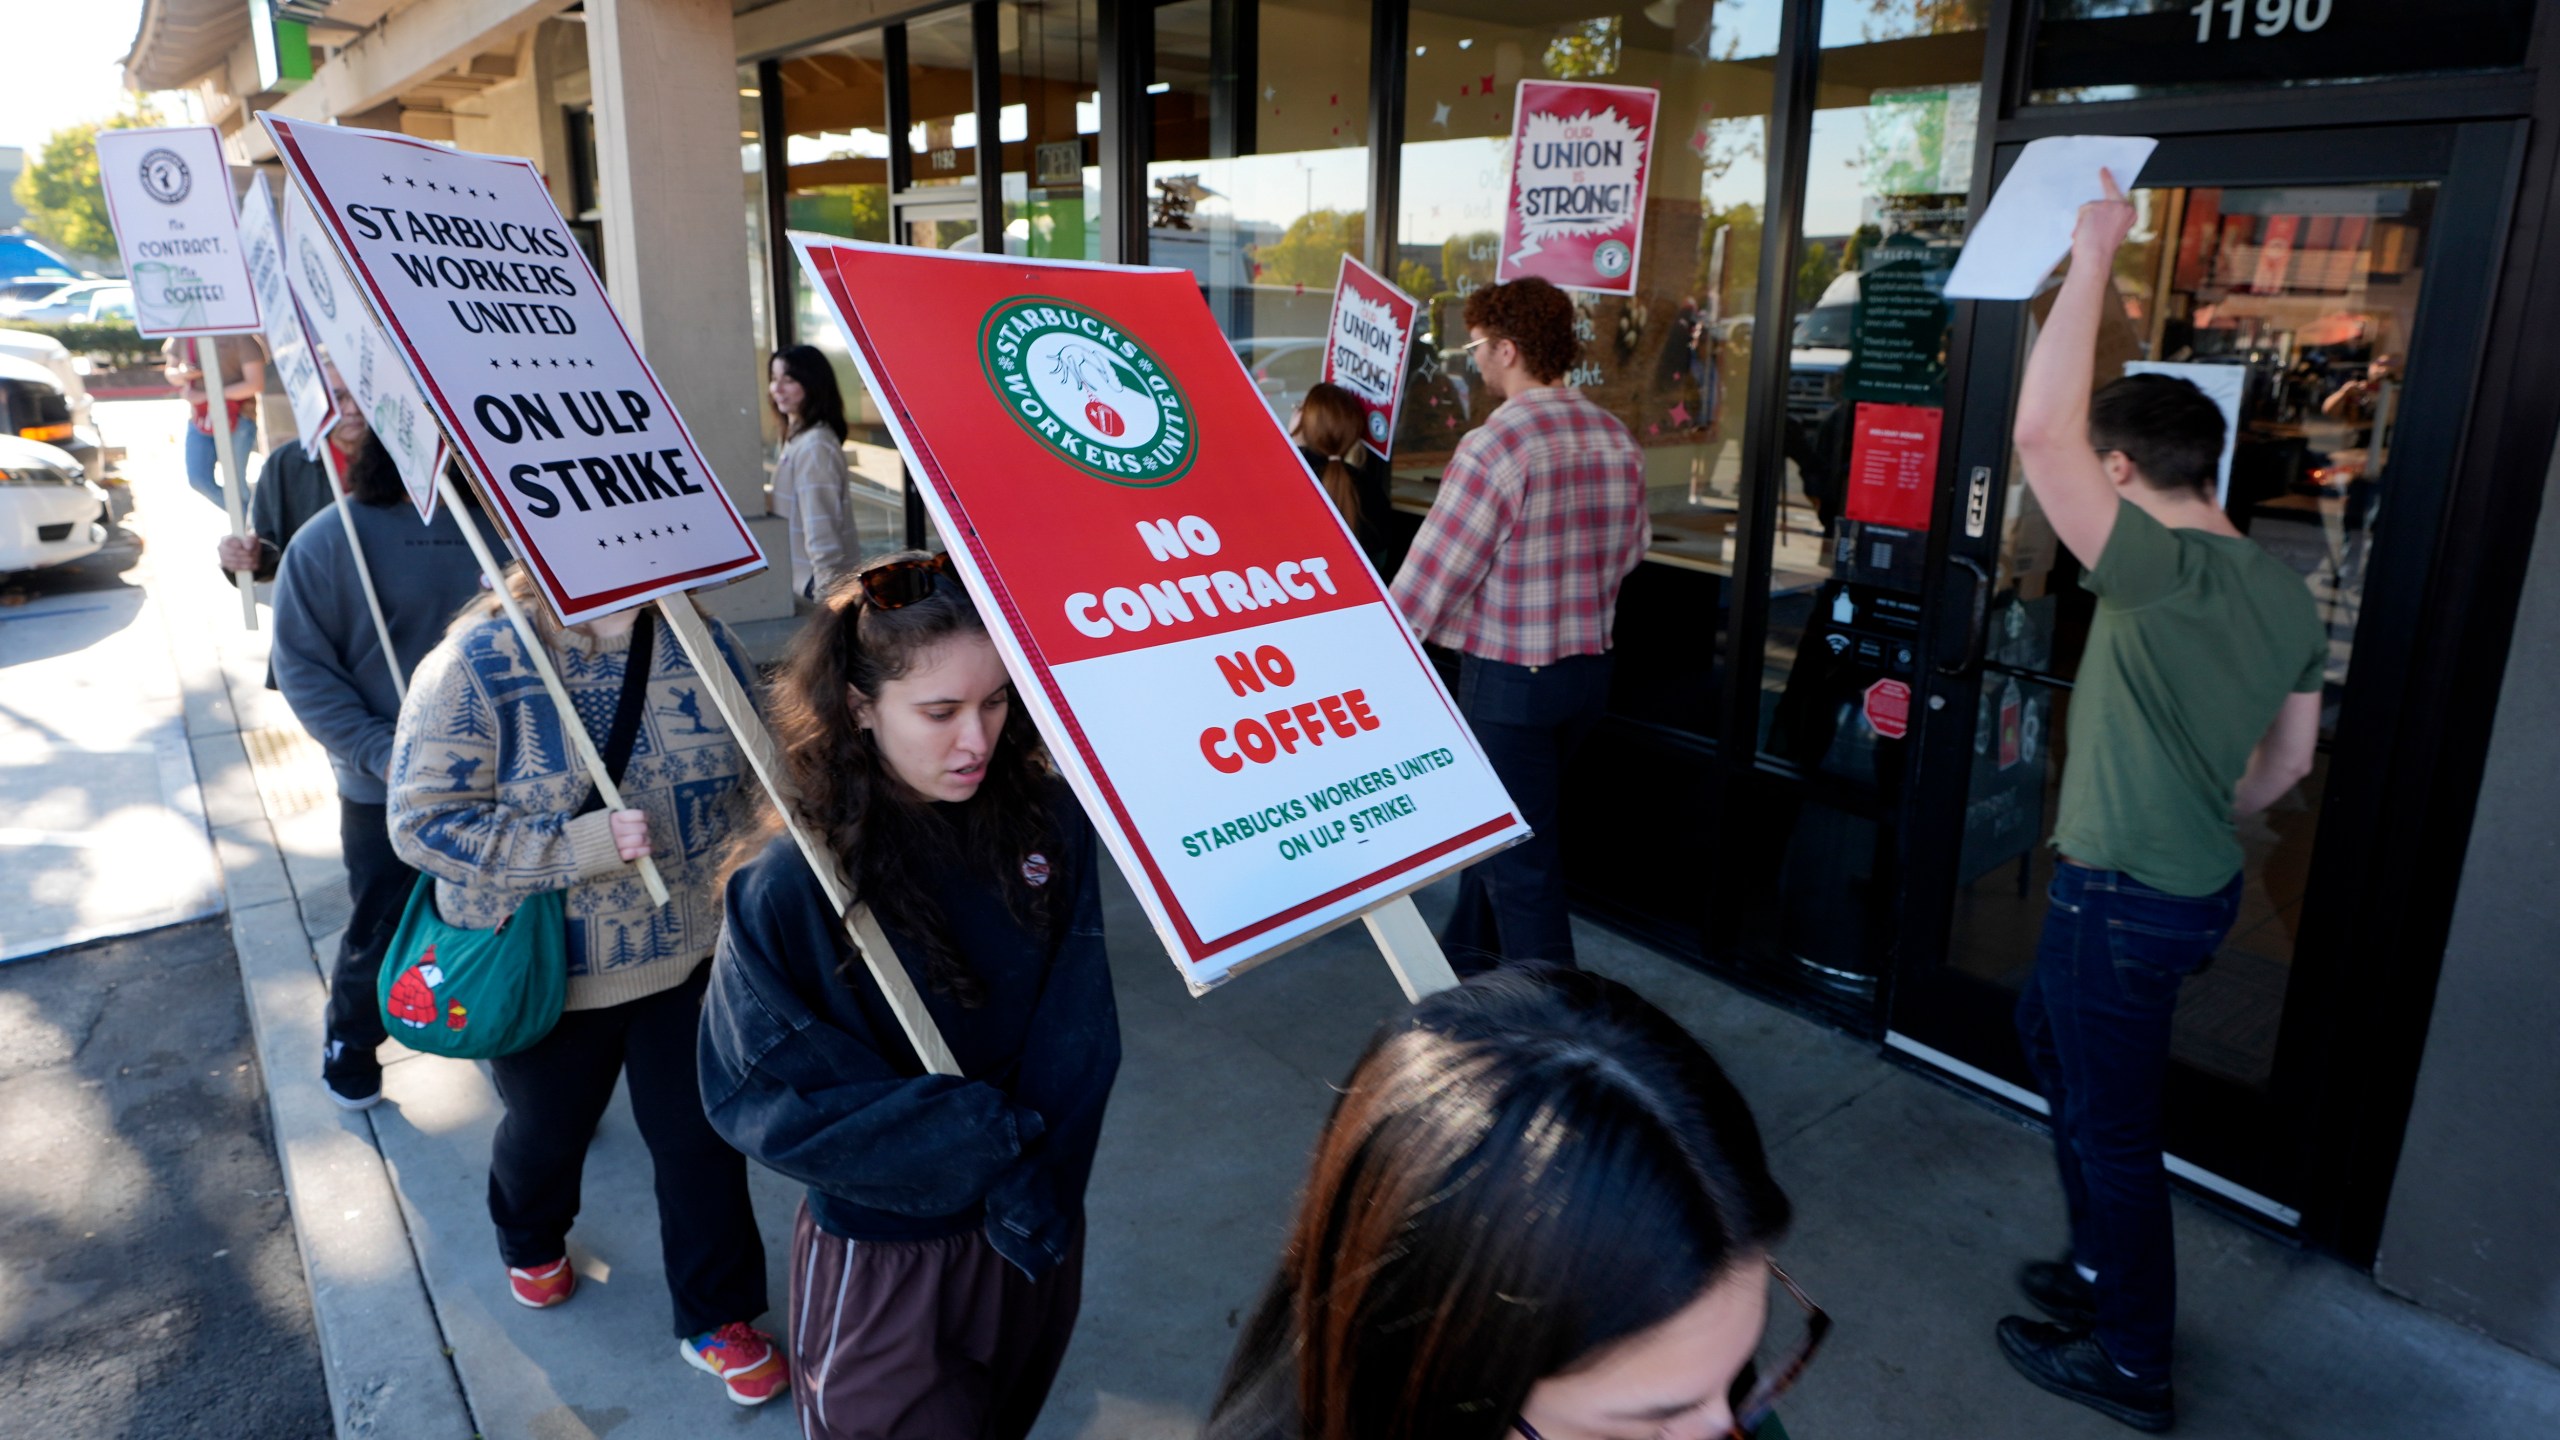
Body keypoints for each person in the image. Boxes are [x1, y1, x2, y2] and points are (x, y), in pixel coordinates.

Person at [1999, 170, 2324, 1433]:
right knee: (2047, 1038)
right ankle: (2093, 1268)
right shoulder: (2280, 590)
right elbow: (2287, 770)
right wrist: (2200, 794)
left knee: (2119, 1137)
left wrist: (2094, 256)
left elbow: (2039, 435)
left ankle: (2130, 1360)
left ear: (2124, 468)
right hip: (2192, 889)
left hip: (2119, 893)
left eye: (2101, 476)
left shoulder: (2154, 573)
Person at [699, 551, 1120, 1439]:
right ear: (858, 707)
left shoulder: (1047, 822)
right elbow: (764, 1095)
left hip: (1035, 1219)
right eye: (940, 712)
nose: (978, 739)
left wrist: (1034, 1174)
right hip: (891, 1249)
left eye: (997, 701)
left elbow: (1082, 1022)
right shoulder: (792, 882)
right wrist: (977, 1136)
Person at [385, 561, 785, 1408]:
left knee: (701, 1141)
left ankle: (718, 1315)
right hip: (544, 973)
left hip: (689, 956)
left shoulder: (699, 638)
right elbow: (420, 823)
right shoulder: (477, 660)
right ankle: (528, 1235)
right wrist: (572, 847)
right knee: (546, 1130)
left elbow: (764, 771)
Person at [1204, 967, 1817, 1440]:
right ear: (1435, 1389)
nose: (1732, 1427)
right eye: (1639, 1429)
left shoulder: (1701, 1388)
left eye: (1740, 1379)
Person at [1391, 277, 1651, 972]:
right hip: (1588, 675)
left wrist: (1382, 655)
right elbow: (1632, 550)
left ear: (1507, 349)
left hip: (1512, 688)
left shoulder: (1496, 445)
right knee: (1504, 842)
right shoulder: (1612, 435)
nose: (1472, 360)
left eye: (1476, 345)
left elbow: (1434, 576)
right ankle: (1463, 980)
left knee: (1522, 869)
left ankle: (1554, 1038)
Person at [271, 444, 494, 1110]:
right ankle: (351, 1040)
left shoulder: (501, 528)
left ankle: (497, 1029)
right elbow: (303, 671)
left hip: (498, 777)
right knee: (382, 924)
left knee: (493, 925)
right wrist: (382, 752)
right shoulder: (325, 542)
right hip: (384, 786)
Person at [218, 366, 371, 582]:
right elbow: (267, 548)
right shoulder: (285, 463)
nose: (353, 409)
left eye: (360, 396)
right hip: (319, 599)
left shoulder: (399, 460)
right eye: (338, 398)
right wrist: (242, 555)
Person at [768, 345, 861, 604]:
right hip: (806, 580)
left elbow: (821, 523)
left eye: (789, 380)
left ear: (812, 384)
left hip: (818, 584)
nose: (777, 388)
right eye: (774, 379)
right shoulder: (798, 437)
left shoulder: (815, 444)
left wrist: (829, 595)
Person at [1289, 382, 1394, 577]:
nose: (1294, 412)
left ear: (1306, 421)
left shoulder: (1287, 477)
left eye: (1298, 407)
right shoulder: (1370, 488)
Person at [163, 334, 265, 509]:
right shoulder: (184, 334)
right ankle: (250, 522)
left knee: (236, 483)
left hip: (238, 417)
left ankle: (251, 527)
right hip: (200, 418)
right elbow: (170, 370)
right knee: (198, 479)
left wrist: (208, 396)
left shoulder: (241, 338)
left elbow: (255, 383)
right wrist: (183, 374)